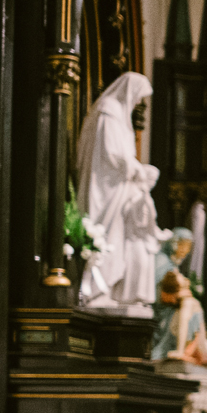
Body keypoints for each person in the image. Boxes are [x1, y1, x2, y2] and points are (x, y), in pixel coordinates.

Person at [76, 72, 158, 307]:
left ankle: (106, 288)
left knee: (114, 237)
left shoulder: (119, 115)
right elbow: (113, 153)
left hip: (116, 187)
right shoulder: (109, 110)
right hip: (104, 188)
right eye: (138, 98)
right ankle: (94, 290)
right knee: (106, 233)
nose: (138, 104)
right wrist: (135, 168)